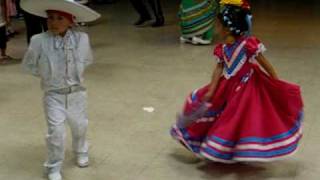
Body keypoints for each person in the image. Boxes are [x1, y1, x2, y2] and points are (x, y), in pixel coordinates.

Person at [170, 2, 304, 163]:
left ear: (228, 29)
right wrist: (212, 88)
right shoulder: (222, 48)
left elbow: (264, 63)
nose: (216, 29)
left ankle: (234, 147)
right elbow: (219, 68)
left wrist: (276, 82)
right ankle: (211, 142)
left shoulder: (248, 44)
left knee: (238, 115)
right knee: (208, 104)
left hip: (247, 86)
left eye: (218, 26)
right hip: (227, 85)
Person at [20, 0, 100, 179]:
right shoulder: (38, 41)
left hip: (77, 93)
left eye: (60, 18)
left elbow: (86, 60)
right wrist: (48, 76)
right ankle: (53, 166)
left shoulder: (82, 39)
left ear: (71, 21)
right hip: (53, 95)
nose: (54, 22)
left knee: (80, 126)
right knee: (56, 132)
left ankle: (81, 151)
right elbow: (30, 66)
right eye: (50, 18)